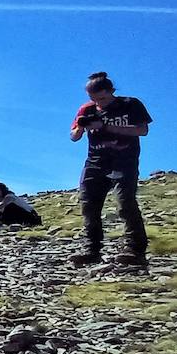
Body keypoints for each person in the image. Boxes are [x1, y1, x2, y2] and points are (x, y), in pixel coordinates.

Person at [69, 72, 152, 266]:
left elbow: (143, 130)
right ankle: (92, 250)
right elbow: (73, 137)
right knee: (89, 205)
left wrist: (106, 127)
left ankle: (135, 250)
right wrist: (81, 128)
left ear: (111, 91)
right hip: (95, 162)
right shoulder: (87, 109)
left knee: (125, 203)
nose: (99, 102)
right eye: (94, 99)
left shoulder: (131, 104)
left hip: (124, 160)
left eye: (102, 98)